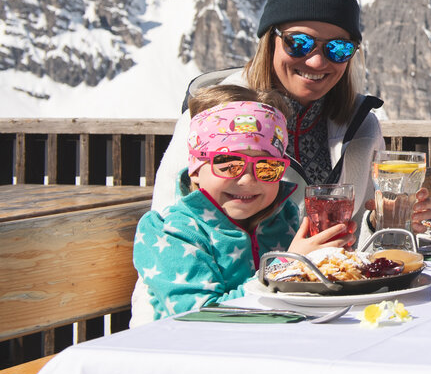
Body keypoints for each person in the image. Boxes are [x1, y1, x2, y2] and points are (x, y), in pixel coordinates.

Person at [133, 0, 431, 324]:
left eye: (338, 48)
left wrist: (380, 225)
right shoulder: (215, 116)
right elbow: (174, 246)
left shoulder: (361, 126)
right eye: (299, 42)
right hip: (187, 332)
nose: (317, 60)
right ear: (270, 38)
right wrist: (292, 267)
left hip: (306, 319)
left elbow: (343, 256)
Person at [133, 87, 349, 318]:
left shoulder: (284, 217)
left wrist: (329, 262)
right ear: (195, 169)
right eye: (229, 164)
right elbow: (199, 315)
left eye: (267, 167)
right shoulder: (172, 232)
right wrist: (287, 265)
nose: (247, 180)